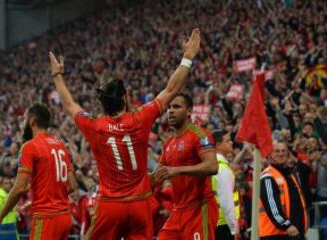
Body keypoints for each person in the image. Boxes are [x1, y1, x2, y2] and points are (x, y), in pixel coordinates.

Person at [49, 28, 201, 240]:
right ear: (124, 98)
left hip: (110, 206)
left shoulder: (95, 126)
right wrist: (187, 58)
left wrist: (57, 75)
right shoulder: (141, 118)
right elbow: (171, 90)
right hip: (140, 203)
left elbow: (69, 104)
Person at [0, 103, 77, 240]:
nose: (23, 123)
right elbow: (72, 186)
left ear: (32, 121)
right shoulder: (60, 145)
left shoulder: (30, 147)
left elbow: (19, 188)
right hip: (64, 217)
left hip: (46, 218)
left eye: (25, 118)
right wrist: (37, 201)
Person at [154, 93, 219, 240]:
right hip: (178, 211)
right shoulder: (169, 143)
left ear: (189, 111)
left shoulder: (200, 135)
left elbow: (212, 166)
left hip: (199, 207)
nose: (170, 110)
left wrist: (177, 170)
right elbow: (156, 176)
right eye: (169, 107)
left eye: (176, 107)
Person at [259, 140, 308, 240]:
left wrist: (302, 229)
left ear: (288, 154)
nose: (281, 154)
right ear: (270, 154)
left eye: (283, 151)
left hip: (294, 232)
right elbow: (271, 206)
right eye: (277, 151)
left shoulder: (291, 175)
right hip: (275, 233)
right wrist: (286, 225)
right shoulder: (267, 176)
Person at [211, 130, 240, 240]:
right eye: (227, 141)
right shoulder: (221, 167)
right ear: (218, 145)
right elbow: (226, 200)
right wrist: (234, 227)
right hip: (224, 224)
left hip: (216, 221)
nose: (231, 142)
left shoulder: (212, 164)